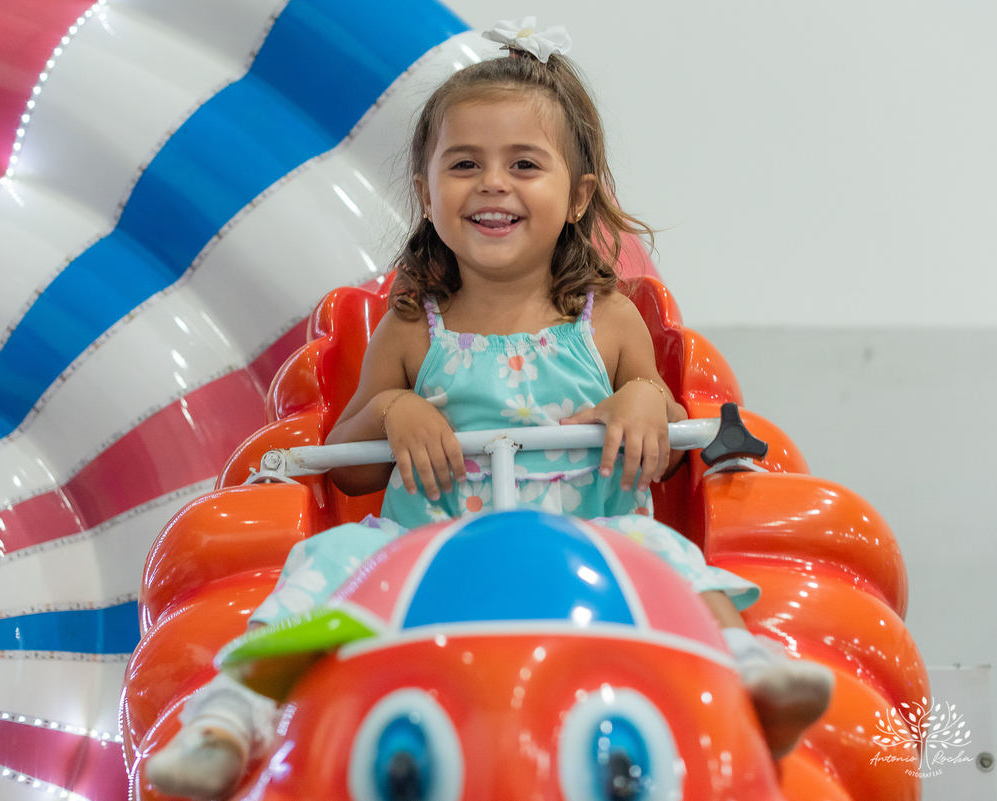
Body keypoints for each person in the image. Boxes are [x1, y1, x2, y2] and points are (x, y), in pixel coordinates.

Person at [147, 20, 832, 800]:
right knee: (317, 573)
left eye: (524, 165)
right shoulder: (412, 322)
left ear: (577, 196)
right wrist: (395, 408)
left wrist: (644, 398)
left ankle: (750, 679)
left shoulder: (604, 320)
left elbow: (666, 438)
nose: (493, 184)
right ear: (427, 190)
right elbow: (355, 462)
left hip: (589, 544)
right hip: (419, 553)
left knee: (667, 560)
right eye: (464, 164)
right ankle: (228, 722)